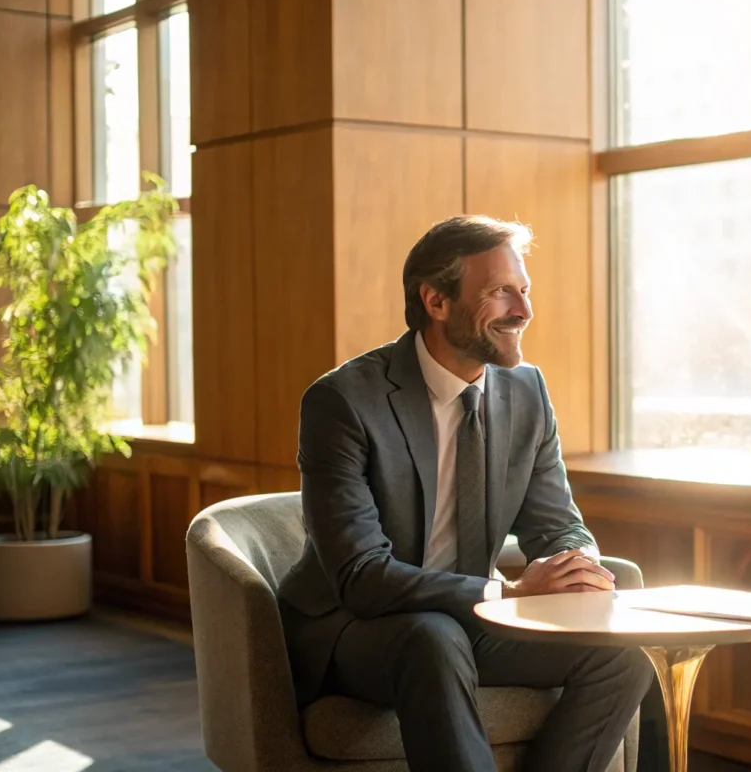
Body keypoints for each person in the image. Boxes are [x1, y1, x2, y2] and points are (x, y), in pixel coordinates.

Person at [277, 215, 651, 771]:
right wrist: (509, 594)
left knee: (623, 659)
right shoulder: (344, 401)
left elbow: (558, 523)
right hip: (356, 629)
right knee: (432, 637)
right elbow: (361, 577)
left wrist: (578, 565)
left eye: (523, 291)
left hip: (470, 618)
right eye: (501, 292)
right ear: (436, 301)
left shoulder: (527, 392)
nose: (522, 310)